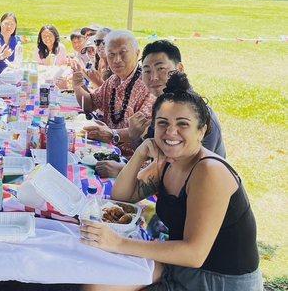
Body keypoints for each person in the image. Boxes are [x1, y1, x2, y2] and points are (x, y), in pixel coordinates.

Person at [80, 72, 262, 291]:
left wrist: (119, 244)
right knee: (96, 285)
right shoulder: (170, 161)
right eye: (162, 123)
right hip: (179, 264)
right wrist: (139, 153)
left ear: (201, 130)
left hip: (217, 280)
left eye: (182, 124)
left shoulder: (209, 171)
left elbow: (194, 254)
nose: (170, 132)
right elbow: (122, 197)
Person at [132, 40, 226, 157]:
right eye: (147, 71)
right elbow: (153, 155)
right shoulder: (163, 105)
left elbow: (190, 168)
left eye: (161, 68)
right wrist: (135, 136)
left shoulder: (201, 115)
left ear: (180, 68)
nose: (153, 77)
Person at [74, 30, 155, 168]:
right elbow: (89, 104)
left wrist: (112, 135)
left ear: (137, 53)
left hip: (132, 164)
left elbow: (144, 131)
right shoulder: (113, 80)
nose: (117, 60)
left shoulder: (148, 85)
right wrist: (77, 86)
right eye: (111, 54)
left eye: (123, 53)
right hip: (106, 152)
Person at [0, 13, 23, 81]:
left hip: (13, 79)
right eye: (6, 23)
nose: (9, 26)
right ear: (0, 24)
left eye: (12, 24)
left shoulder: (17, 40)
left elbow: (19, 61)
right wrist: (2, 56)